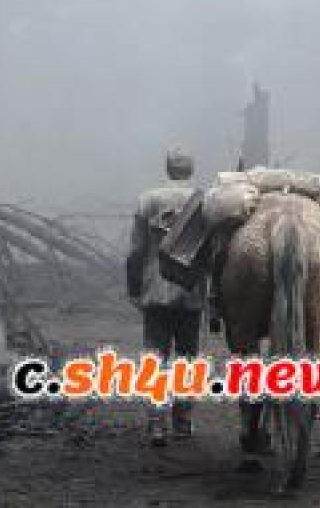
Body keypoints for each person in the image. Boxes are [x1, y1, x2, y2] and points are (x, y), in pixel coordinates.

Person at [126, 148, 204, 447]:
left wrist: (134, 288)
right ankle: (182, 420)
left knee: (155, 356)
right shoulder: (204, 201)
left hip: (155, 289)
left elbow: (136, 250)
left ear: (168, 168)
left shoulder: (148, 200)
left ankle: (156, 423)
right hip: (190, 289)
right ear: (191, 169)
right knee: (186, 357)